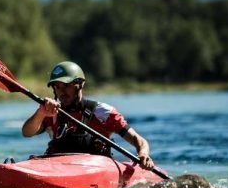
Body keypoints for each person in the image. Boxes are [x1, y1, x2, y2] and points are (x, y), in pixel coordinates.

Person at [22, 61, 155, 170]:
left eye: (66, 85)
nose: (62, 92)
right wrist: (40, 113)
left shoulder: (103, 112)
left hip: (95, 169)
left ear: (80, 84)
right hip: (58, 169)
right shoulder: (50, 112)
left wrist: (143, 154)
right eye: (57, 87)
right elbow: (26, 132)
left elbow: (139, 140)